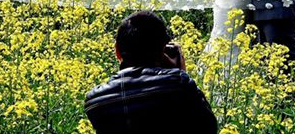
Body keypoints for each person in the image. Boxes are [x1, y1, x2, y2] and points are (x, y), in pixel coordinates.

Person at [84, 10, 217, 134]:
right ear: (162, 52)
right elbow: (208, 128)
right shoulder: (178, 85)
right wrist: (179, 72)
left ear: (117, 52)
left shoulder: (95, 101)